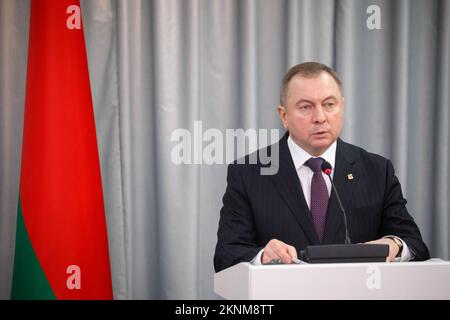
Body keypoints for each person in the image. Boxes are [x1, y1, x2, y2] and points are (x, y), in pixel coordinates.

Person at [214, 62, 430, 272]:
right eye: (305, 107)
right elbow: (227, 254)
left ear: (342, 107)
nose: (320, 118)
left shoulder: (377, 170)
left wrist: (395, 245)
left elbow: (415, 244)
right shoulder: (248, 173)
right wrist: (263, 256)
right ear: (284, 116)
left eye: (329, 104)